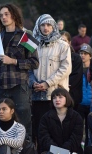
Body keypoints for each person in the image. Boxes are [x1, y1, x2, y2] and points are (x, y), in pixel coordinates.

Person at [0, 3, 39, 138]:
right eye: (1, 15)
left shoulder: (25, 37)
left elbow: (35, 63)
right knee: (1, 126)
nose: (3, 17)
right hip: (0, 87)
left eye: (6, 14)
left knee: (23, 124)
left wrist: (13, 61)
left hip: (19, 86)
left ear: (14, 16)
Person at [30, 14, 71, 147]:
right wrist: (32, 82)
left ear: (53, 26)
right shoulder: (31, 44)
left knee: (57, 131)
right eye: (43, 25)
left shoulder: (63, 45)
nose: (46, 28)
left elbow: (66, 68)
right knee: (38, 131)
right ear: (38, 26)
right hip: (36, 95)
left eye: (49, 25)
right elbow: (26, 67)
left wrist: (47, 83)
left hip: (55, 95)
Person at [38, 88, 83, 154]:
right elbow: (44, 137)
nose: (57, 100)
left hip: (72, 152)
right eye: (54, 98)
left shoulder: (76, 117)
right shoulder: (46, 117)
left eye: (60, 97)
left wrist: (63, 151)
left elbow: (76, 137)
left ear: (67, 98)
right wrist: (56, 150)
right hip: (51, 153)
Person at [60, 31, 83, 111]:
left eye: (64, 41)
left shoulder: (76, 58)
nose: (62, 43)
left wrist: (61, 84)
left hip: (72, 95)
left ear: (69, 43)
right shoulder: (55, 58)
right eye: (60, 41)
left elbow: (76, 77)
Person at [77, 43, 92, 146]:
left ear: (90, 56)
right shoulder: (76, 69)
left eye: (85, 53)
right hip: (80, 103)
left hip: (91, 104)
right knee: (78, 128)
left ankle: (88, 149)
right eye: (81, 53)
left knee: (90, 129)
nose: (83, 55)